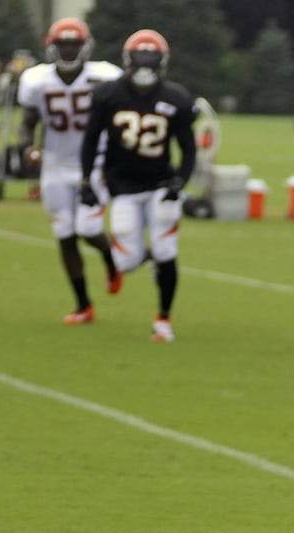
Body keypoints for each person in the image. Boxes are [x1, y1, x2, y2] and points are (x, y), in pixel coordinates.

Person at [77, 30, 196, 343]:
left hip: (160, 184)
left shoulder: (176, 98)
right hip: (123, 187)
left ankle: (163, 319)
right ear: (128, 62)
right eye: (140, 60)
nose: (145, 67)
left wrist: (179, 182)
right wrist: (87, 179)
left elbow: (189, 148)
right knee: (126, 262)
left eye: (151, 60)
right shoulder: (107, 95)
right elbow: (90, 140)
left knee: (166, 249)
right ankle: (149, 260)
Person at [15, 18, 123, 324]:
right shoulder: (37, 80)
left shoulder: (104, 76)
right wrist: (27, 147)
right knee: (64, 234)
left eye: (73, 44)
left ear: (85, 46)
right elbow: (28, 122)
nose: (67, 50)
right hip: (55, 164)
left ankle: (110, 258)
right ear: (52, 46)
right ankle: (83, 305)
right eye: (62, 44)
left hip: (95, 163)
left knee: (87, 230)